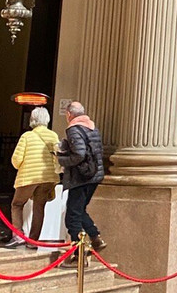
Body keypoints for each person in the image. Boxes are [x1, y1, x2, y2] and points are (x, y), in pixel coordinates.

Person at [7, 106, 60, 248]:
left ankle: (18, 235)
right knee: (39, 207)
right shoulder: (53, 136)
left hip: (29, 177)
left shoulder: (27, 136)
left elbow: (16, 160)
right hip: (48, 177)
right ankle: (33, 241)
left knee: (17, 204)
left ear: (32, 120)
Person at [57, 101, 106, 251]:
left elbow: (79, 153)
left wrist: (62, 159)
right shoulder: (92, 127)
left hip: (81, 177)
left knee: (72, 215)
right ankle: (95, 237)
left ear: (69, 114)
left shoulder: (74, 129)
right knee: (79, 210)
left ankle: (78, 250)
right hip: (94, 175)